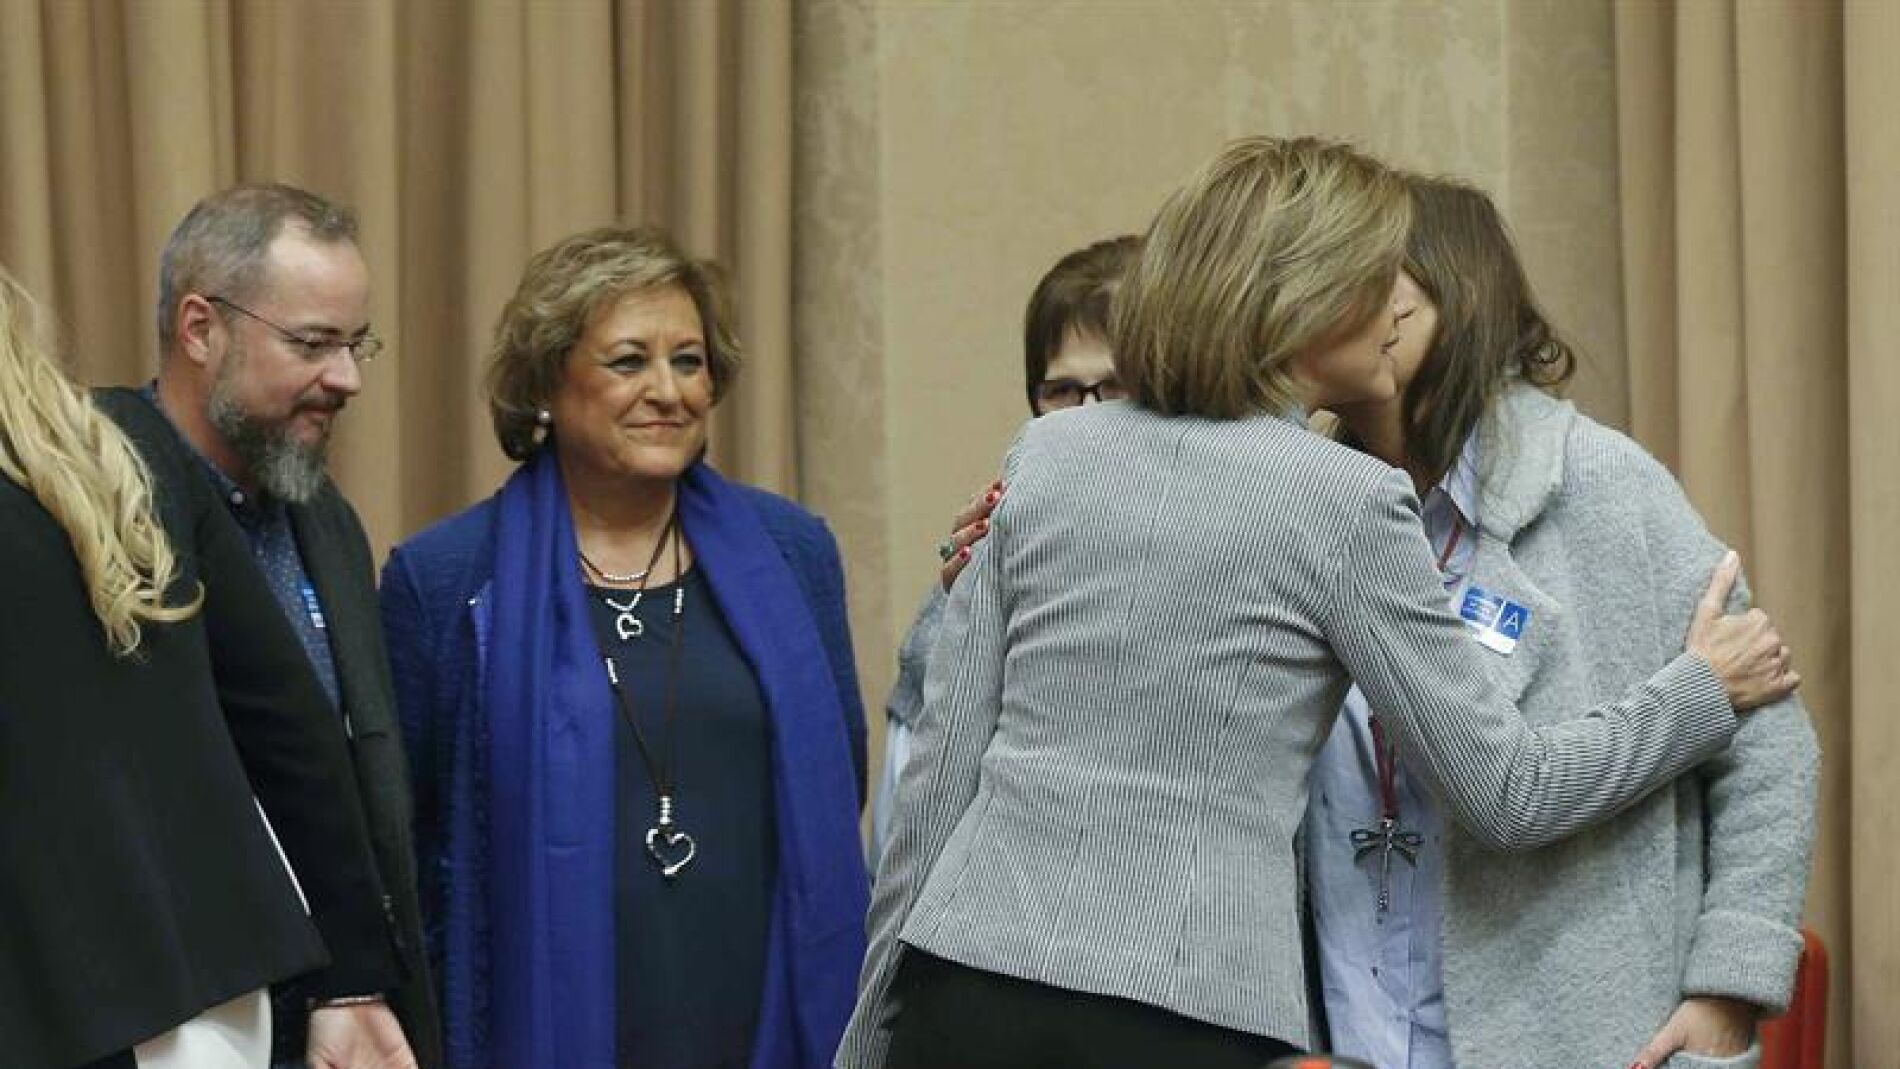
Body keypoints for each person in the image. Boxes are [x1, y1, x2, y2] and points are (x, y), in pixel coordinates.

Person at [838, 136, 1797, 1069]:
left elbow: (937, 782)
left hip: (956, 988)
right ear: (1309, 299)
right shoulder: (1344, 498)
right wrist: (1700, 689)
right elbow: (1507, 791)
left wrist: (870, 1032)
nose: (1393, 310)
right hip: (1185, 1009)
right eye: (1375, 280)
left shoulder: (1048, 451)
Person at [1304, 175, 1818, 1069]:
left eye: (1366, 273)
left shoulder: (1600, 484)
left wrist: (1728, 990)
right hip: (1345, 1027)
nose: (1327, 301)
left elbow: (1771, 750)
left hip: (1576, 1030)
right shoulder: (1302, 506)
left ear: (1449, 293)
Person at [380, 225, 869, 1069]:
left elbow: (843, 769)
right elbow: (415, 839)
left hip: (764, 1011)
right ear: (546, 383)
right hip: (546, 1024)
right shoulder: (447, 579)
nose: (668, 391)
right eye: (629, 361)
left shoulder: (793, 552)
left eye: (689, 361)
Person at [0, 266, 402, 1069]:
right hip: (205, 998)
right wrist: (352, 977)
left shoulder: (129, 448)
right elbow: (290, 725)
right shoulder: (126, 444)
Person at [136, 183, 436, 1069]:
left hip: (340, 996)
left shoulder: (327, 520)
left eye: (355, 343)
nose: (347, 379)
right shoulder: (98, 514)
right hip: (185, 1010)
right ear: (200, 330)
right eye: (312, 344)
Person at [871, 233, 1140, 864]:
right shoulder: (983, 554)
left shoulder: (1238, 543)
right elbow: (904, 828)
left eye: (1116, 387)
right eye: (1061, 392)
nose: (1084, 417)